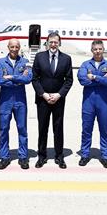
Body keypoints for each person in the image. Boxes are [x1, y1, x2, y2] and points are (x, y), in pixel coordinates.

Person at [32, 32, 73, 169]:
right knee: (42, 128)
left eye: (56, 42)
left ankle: (59, 156)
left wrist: (59, 94)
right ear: (47, 42)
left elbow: (69, 80)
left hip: (58, 100)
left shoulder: (66, 59)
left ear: (59, 43)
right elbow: (34, 78)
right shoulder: (39, 57)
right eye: (51, 42)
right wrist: (43, 94)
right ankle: (41, 156)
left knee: (58, 129)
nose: (53, 44)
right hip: (43, 99)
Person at [77, 40, 107, 168]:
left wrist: (93, 77)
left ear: (103, 49)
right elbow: (82, 80)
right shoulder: (85, 64)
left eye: (100, 49)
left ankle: (105, 156)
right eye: (95, 49)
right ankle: (85, 154)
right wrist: (102, 79)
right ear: (92, 50)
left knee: (104, 129)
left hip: (104, 103)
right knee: (86, 130)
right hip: (88, 102)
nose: (97, 51)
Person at [0, 39, 32, 170]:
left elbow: (28, 79)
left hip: (20, 100)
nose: (14, 49)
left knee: (22, 129)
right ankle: (4, 157)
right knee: (4, 129)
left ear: (19, 47)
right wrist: (19, 78)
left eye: (17, 47)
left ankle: (23, 157)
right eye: (12, 47)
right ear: (8, 47)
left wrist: (11, 77)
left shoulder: (25, 62)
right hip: (5, 100)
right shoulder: (0, 62)